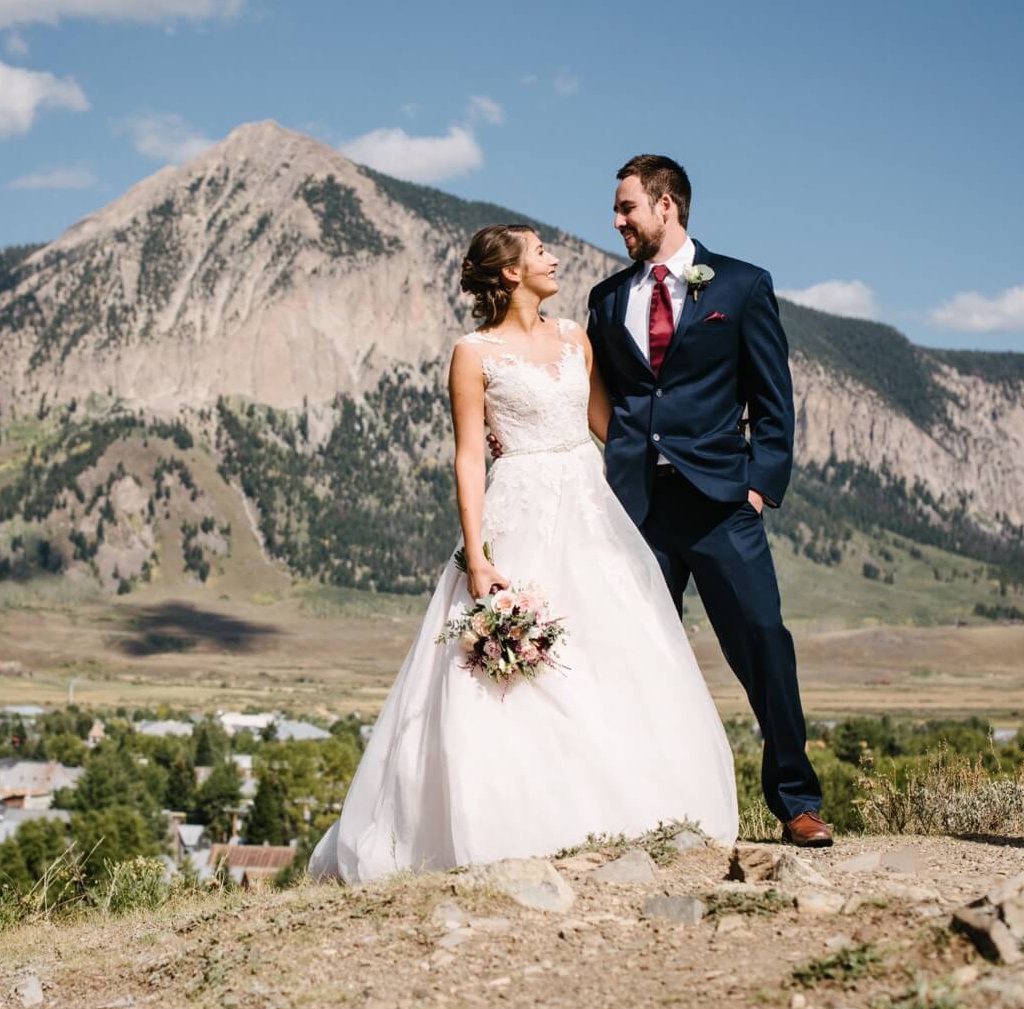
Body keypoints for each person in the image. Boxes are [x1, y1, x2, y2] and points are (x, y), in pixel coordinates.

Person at [309, 223, 737, 883]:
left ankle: (637, 811)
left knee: (618, 651)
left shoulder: (575, 338)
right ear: (510, 273)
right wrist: (478, 555)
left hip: (591, 514)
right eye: (540, 251)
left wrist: (693, 453)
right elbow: (469, 455)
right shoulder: (472, 352)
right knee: (507, 682)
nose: (554, 256)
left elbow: (611, 428)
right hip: (519, 515)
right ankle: (516, 823)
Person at [586, 155, 829, 847]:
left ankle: (796, 800)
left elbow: (773, 403)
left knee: (764, 645)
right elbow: (609, 400)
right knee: (633, 656)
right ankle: (635, 805)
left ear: (667, 206)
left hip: (722, 503)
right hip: (637, 510)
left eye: (626, 206)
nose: (616, 220)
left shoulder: (743, 286)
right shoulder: (606, 300)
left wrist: (758, 483)